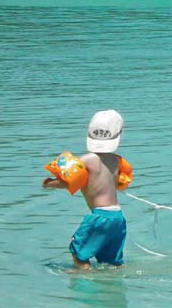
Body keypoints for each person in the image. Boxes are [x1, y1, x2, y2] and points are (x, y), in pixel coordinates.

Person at [42, 110, 129, 269]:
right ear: (119, 134)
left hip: (100, 217)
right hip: (118, 217)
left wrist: (49, 183)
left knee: (78, 252)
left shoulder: (86, 160)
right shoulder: (118, 161)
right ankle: (112, 288)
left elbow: (68, 183)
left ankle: (82, 278)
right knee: (112, 261)